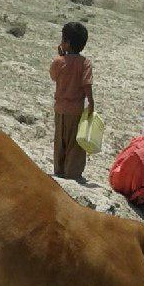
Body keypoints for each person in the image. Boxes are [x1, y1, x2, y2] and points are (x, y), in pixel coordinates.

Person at [49, 20, 94, 181]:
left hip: (60, 109)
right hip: (76, 111)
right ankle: (72, 173)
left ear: (66, 43)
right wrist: (91, 104)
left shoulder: (59, 61)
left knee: (59, 141)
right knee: (75, 144)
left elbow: (53, 76)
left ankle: (59, 170)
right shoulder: (85, 63)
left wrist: (61, 56)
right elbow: (87, 84)